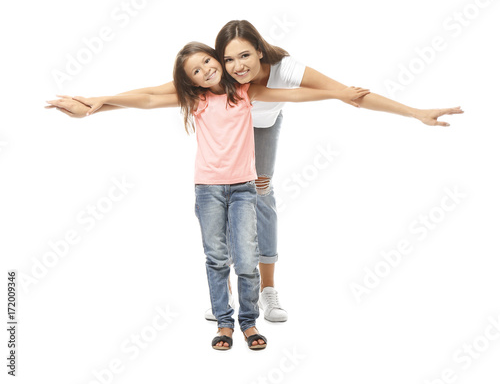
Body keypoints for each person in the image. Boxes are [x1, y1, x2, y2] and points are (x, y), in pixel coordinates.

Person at [46, 21, 464, 322]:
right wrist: (95, 102)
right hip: (228, 143)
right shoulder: (216, 83)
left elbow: (346, 95)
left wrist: (414, 113)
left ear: (260, 51)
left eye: (244, 55)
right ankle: (226, 300)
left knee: (263, 196)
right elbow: (154, 94)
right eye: (227, 59)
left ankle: (267, 289)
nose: (235, 65)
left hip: (263, 127)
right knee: (227, 213)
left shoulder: (284, 71)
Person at [60, 41, 369, 350]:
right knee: (217, 258)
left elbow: (294, 95)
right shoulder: (197, 100)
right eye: (196, 70)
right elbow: (147, 98)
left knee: (247, 260)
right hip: (208, 190)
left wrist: (337, 93)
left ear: (218, 59)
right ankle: (224, 323)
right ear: (191, 81)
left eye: (207, 61)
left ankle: (249, 323)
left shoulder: (246, 92)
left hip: (244, 189)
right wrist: (96, 104)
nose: (205, 70)